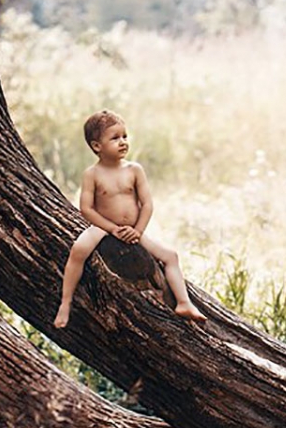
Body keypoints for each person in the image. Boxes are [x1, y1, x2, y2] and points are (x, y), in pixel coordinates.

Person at [54, 109, 206, 328]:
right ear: (97, 146)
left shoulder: (134, 170)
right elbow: (86, 209)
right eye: (115, 138)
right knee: (78, 252)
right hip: (103, 227)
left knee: (170, 256)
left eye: (125, 136)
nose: (123, 142)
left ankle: (184, 302)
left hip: (134, 229)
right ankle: (65, 303)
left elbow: (147, 204)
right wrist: (112, 228)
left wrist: (138, 230)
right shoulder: (92, 174)